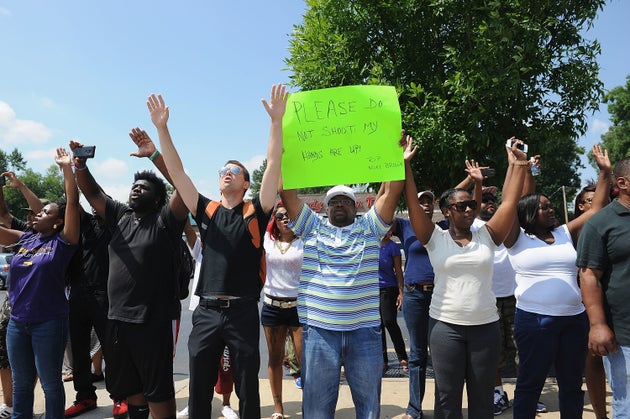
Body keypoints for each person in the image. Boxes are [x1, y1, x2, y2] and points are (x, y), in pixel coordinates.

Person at [148, 84, 286, 419]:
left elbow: (273, 163)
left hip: (241, 313)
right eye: (223, 169)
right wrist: (162, 128)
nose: (227, 173)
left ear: (246, 183)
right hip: (207, 311)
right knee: (199, 389)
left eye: (235, 170)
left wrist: (276, 122)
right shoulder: (206, 210)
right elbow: (177, 173)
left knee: (247, 390)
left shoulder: (257, 209)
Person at [280, 133, 412, 419]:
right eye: (334, 201)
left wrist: (395, 158)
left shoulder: (370, 228)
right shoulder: (311, 227)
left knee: (368, 409)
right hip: (319, 332)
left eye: (346, 201)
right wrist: (285, 153)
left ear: (356, 207)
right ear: (325, 208)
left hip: (364, 333)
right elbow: (286, 193)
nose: (339, 204)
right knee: (316, 410)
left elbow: (391, 193)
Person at [403, 140, 528, 418]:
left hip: (485, 328)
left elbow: (510, 201)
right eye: (461, 206)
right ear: (446, 211)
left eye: (471, 204)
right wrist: (406, 164)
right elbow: (412, 203)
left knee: (482, 397)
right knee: (447, 398)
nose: (469, 209)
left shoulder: (488, 235)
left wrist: (518, 164)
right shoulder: (434, 238)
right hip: (445, 327)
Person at [73, 134, 189, 419]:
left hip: (153, 319)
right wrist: (80, 166)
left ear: (158, 198)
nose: (136, 189)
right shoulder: (121, 216)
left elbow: (183, 186)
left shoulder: (166, 220)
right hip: (117, 319)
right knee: (131, 386)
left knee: (158, 389)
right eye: (134, 186)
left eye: (144, 188)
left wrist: (154, 155)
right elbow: (92, 194)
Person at [504, 144, 611, 418]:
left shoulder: (563, 232)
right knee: (530, 384)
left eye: (551, 206)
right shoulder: (516, 239)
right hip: (535, 321)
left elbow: (596, 208)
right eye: (543, 208)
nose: (551, 210)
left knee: (572, 385)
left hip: (574, 320)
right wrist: (519, 166)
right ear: (528, 214)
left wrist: (604, 173)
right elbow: (510, 202)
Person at [0, 148, 80, 419]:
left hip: (49, 322)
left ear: (57, 222)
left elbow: (71, 203)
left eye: (44, 212)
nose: (36, 214)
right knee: (22, 384)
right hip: (17, 323)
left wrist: (66, 168)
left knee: (50, 384)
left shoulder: (63, 241)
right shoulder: (25, 238)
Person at [577, 155, 630, 419]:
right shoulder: (601, 223)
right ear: (623, 183)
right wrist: (597, 325)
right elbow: (589, 276)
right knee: (628, 404)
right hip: (625, 335)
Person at [176, 221, 239, 419]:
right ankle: (193, 404)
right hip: (203, 311)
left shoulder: (235, 246)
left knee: (225, 362)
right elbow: (188, 229)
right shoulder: (200, 248)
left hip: (229, 313)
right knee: (199, 363)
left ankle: (226, 404)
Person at [0, 172, 47, 419]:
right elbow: (4, 215)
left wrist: (22, 186)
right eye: (30, 215)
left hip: (45, 314)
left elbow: (43, 210)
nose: (32, 217)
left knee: (42, 371)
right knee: (11, 365)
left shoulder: (55, 238)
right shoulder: (26, 234)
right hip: (15, 312)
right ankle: (13, 407)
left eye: (38, 214)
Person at [63, 204, 114, 418]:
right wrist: (71, 172)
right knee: (79, 349)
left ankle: (119, 395)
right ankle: (85, 397)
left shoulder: (118, 225)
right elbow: (73, 201)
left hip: (105, 293)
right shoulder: (83, 224)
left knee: (113, 349)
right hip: (77, 293)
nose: (96, 207)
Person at [261, 203, 303, 418]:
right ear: (274, 220)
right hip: (272, 308)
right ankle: (278, 409)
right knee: (275, 359)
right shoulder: (267, 240)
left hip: (299, 308)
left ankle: (310, 404)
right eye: (280, 216)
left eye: (288, 215)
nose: (285, 219)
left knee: (305, 359)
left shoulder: (305, 241)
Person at [573, 182, 609, 419]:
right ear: (580, 205)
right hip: (583, 305)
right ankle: (600, 415)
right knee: (593, 359)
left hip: (613, 299)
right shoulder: (571, 233)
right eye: (590, 200)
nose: (597, 204)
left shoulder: (613, 225)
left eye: (602, 199)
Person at [378, 225, 407, 375]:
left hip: (388, 288)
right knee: (377, 325)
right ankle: (382, 360)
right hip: (371, 290)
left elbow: (398, 271)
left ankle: (402, 356)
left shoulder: (392, 247)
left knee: (389, 321)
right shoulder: (370, 245)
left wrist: (401, 292)